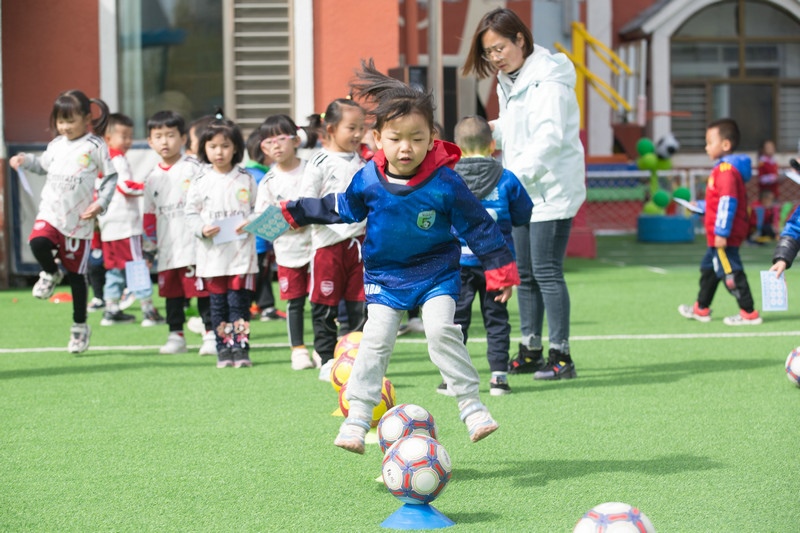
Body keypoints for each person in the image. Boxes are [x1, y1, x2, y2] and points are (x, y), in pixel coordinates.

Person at [282, 60, 519, 454]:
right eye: (395, 138)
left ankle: (471, 405)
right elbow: (343, 207)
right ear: (377, 139)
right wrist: (298, 210)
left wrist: (501, 269)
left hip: (437, 274)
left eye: (416, 137)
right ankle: (358, 417)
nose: (405, 147)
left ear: (431, 139)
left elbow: (478, 225)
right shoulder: (368, 178)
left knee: (442, 331)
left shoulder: (445, 181)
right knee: (374, 341)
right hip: (385, 278)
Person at [464, 8, 586, 380]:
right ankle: (531, 348)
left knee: (547, 272)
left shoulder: (549, 80)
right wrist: (480, 135)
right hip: (520, 191)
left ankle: (561, 356)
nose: (495, 57)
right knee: (526, 274)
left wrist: (511, 178)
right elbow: (516, 128)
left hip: (550, 190)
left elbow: (550, 139)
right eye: (489, 52)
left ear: (520, 39)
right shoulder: (511, 80)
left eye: (500, 47)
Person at [9, 89, 118, 353]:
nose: (65, 127)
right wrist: (25, 160)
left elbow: (110, 178)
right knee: (37, 242)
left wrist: (100, 204)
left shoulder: (95, 147)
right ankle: (49, 271)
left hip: (78, 222)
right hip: (51, 212)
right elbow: (43, 165)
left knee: (77, 278)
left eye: (70, 121)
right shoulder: (56, 144)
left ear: (85, 118)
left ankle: (80, 327)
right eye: (60, 121)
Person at [436, 115, 532, 397]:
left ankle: (453, 379)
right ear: (492, 145)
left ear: (459, 147)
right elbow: (523, 214)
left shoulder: (449, 177)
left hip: (458, 261)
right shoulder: (507, 178)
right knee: (497, 319)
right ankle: (499, 378)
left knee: (456, 321)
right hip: (496, 262)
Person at [302, 98, 368, 381]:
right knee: (324, 304)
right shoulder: (319, 162)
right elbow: (306, 203)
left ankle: (356, 359)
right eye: (351, 127)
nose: (357, 134)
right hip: (327, 246)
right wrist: (336, 214)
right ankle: (327, 358)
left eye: (361, 128)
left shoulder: (364, 162)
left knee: (359, 303)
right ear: (330, 128)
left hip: (360, 246)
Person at [185, 116, 258, 367]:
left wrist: (251, 221)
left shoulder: (246, 178)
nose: (219, 152)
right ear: (204, 148)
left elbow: (259, 209)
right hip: (212, 256)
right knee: (217, 305)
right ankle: (223, 350)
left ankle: (241, 349)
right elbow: (190, 213)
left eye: (225, 146)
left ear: (236, 148)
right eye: (213, 146)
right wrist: (202, 229)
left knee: (238, 303)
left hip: (240, 254)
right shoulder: (200, 180)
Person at [143, 110, 216, 356]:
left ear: (183, 138)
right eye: (158, 136)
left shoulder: (195, 168)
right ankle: (176, 335)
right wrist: (149, 247)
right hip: (167, 248)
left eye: (171, 135)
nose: (165, 142)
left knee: (202, 291)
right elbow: (149, 215)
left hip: (196, 245)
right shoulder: (151, 178)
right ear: (150, 141)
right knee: (171, 294)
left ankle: (210, 333)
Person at [678, 118, 762, 326]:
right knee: (709, 269)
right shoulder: (722, 170)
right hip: (718, 234)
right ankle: (701, 308)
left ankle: (748, 312)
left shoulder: (726, 172)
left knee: (730, 271)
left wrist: (721, 233)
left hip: (724, 235)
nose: (706, 147)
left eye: (709, 142)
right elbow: (718, 202)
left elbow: (727, 202)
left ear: (725, 145)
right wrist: (700, 206)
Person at [247, 114, 314, 371]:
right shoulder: (268, 182)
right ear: (263, 148)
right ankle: (298, 348)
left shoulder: (312, 169)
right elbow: (264, 222)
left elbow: (323, 203)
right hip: (288, 251)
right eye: (269, 142)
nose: (276, 146)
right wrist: (293, 219)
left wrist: (303, 215)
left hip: (319, 246)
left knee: (322, 301)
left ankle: (324, 348)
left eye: (281, 139)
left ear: (296, 140)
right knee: (294, 301)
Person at [96, 113, 165, 327]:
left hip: (108, 224)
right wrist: (150, 188)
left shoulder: (102, 159)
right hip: (125, 224)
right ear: (108, 138)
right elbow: (125, 186)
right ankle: (148, 310)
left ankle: (111, 309)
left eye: (129, 137)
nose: (127, 141)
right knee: (137, 265)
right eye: (123, 136)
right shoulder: (117, 159)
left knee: (115, 268)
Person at [243, 125, 284, 322]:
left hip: (252, 236)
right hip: (260, 237)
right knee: (260, 272)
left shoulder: (247, 173)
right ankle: (261, 306)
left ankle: (260, 305)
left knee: (258, 272)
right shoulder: (262, 177)